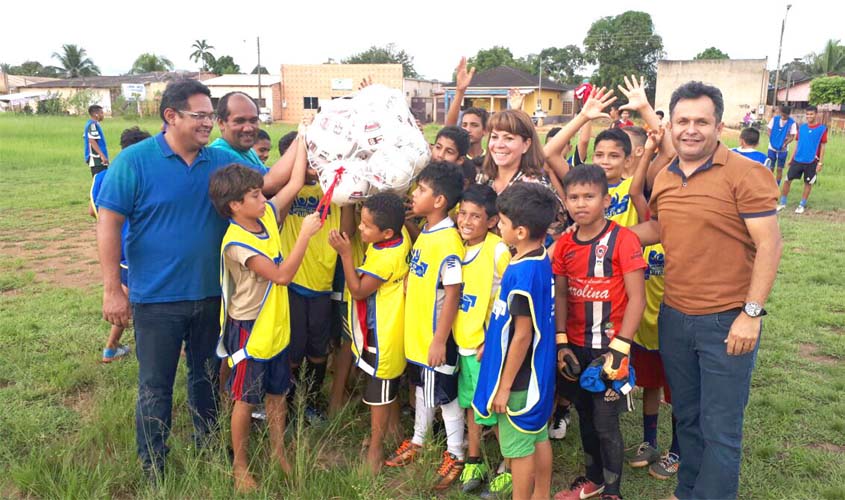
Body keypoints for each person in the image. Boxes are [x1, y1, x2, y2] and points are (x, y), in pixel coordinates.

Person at [96, 79, 286, 479]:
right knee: (155, 386)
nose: (207, 124)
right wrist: (114, 288)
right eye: (199, 116)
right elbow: (109, 223)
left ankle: (210, 449)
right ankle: (155, 467)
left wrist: (308, 143)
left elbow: (267, 184)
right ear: (171, 116)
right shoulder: (134, 161)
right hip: (156, 299)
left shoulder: (219, 164)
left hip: (212, 297)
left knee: (204, 380)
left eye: (208, 116)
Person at [630, 81, 782, 500]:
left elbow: (769, 243)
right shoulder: (665, 175)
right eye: (683, 121)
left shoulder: (746, 174)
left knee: (720, 428)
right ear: (670, 124)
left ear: (719, 126)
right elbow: (662, 226)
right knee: (689, 417)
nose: (691, 130)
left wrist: (751, 314)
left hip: (726, 321)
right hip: (674, 316)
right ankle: (688, 488)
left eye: (702, 121)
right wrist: (616, 238)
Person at [210, 147, 313, 492]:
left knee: (278, 392)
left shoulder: (264, 216)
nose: (262, 197)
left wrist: (303, 135)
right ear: (235, 205)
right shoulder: (238, 243)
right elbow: (282, 275)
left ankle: (278, 453)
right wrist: (304, 236)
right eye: (255, 194)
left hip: (276, 324)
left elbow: (296, 182)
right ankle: (239, 467)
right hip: (250, 329)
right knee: (245, 398)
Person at [552, 164, 647, 500]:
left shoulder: (624, 239)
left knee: (607, 423)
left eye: (589, 196)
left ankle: (614, 491)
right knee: (586, 418)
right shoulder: (564, 245)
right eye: (573, 197)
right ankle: (593, 480)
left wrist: (621, 349)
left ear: (606, 200)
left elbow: (639, 297)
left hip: (611, 349)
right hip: (576, 347)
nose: (581, 204)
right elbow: (562, 293)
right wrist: (561, 341)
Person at [473, 182, 558, 500]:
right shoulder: (539, 256)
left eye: (503, 223)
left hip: (521, 379)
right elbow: (510, 323)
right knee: (537, 434)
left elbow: (522, 334)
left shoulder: (520, 273)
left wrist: (505, 386)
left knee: (519, 446)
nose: (499, 226)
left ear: (520, 231)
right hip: (538, 369)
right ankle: (542, 495)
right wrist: (491, 343)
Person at [386, 162, 466, 491]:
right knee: (423, 389)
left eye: (420, 190)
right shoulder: (428, 233)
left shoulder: (448, 241)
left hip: (436, 339)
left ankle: (456, 453)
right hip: (419, 337)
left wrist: (439, 339)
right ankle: (419, 440)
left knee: (445, 397)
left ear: (439, 201)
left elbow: (453, 293)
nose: (414, 195)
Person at [328, 192, 410, 474]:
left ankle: (375, 451)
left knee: (379, 393)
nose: (360, 229)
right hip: (385, 329)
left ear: (386, 232)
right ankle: (393, 431)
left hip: (382, 335)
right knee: (387, 388)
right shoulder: (398, 239)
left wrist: (346, 254)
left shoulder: (384, 258)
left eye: (365, 225)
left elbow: (359, 290)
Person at [452, 184, 511, 494]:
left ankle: (510, 464)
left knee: (496, 408)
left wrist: (493, 338)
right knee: (471, 406)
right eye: (462, 213)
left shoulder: (497, 248)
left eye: (476, 216)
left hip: (485, 347)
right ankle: (474, 459)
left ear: (491, 221)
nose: (466, 221)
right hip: (463, 343)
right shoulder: (457, 246)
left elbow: (513, 294)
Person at [281, 152, 343, 420]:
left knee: (319, 350)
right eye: (307, 161)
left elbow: (346, 231)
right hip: (292, 283)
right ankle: (289, 404)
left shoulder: (335, 192)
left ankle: (312, 401)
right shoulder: (286, 193)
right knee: (293, 350)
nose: (312, 168)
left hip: (322, 284)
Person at [90, 126, 151, 362]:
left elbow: (91, 210)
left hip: (115, 249)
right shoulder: (141, 172)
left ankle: (111, 348)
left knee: (126, 299)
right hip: (135, 249)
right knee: (135, 303)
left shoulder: (103, 176)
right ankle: (115, 347)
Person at [777, 105, 828, 214]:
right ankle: (782, 202)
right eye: (807, 114)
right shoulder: (802, 128)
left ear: (816, 114)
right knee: (787, 180)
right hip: (798, 159)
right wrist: (791, 159)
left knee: (808, 183)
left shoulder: (822, 129)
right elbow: (797, 144)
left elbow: (823, 146)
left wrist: (820, 163)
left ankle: (801, 205)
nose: (809, 116)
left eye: (811, 114)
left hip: (811, 161)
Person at [210, 92, 268, 174]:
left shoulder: (247, 150)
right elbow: (268, 181)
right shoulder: (219, 155)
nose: (248, 128)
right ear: (221, 123)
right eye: (240, 121)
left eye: (253, 121)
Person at [445, 57, 488, 164]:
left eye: (474, 125)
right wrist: (460, 91)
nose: (468, 129)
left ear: (485, 130)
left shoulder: (492, 159)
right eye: (464, 125)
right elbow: (449, 130)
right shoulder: (457, 158)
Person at [767, 105, 797, 184]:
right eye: (782, 114)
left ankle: (777, 185)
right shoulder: (775, 119)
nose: (783, 117)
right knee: (771, 167)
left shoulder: (792, 123)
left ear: (788, 115)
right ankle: (769, 184)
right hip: (772, 147)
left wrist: (785, 143)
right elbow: (769, 130)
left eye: (785, 115)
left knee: (780, 168)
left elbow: (792, 136)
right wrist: (773, 140)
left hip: (783, 149)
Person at [84, 105, 109, 176]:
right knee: (98, 181)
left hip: (99, 158)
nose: (103, 115)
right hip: (96, 159)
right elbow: (92, 140)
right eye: (101, 113)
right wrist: (102, 156)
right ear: (96, 115)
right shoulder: (92, 125)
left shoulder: (92, 124)